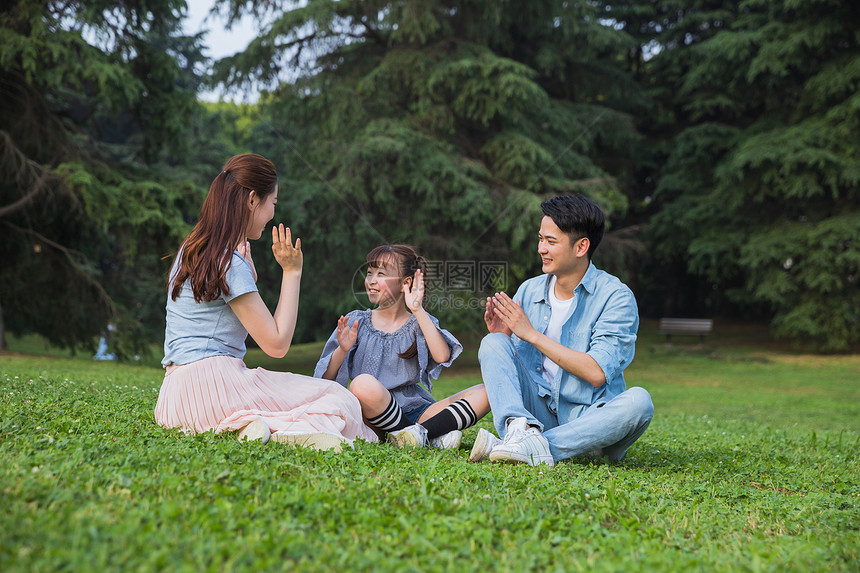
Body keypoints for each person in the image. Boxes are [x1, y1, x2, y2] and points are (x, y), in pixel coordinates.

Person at [154, 153, 377, 451]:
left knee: (327, 398)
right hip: (216, 388)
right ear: (251, 200)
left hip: (175, 403)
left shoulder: (191, 250)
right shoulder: (229, 262)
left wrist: (250, 275)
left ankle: (252, 428)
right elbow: (277, 344)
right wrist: (292, 272)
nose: (273, 212)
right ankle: (284, 430)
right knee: (340, 398)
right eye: (272, 202)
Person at [469, 194, 653, 466]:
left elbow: (596, 373)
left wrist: (531, 333)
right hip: (537, 414)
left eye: (551, 242)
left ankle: (533, 447)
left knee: (640, 402)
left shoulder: (616, 297)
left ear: (581, 247)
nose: (541, 248)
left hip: (590, 420)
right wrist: (504, 336)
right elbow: (517, 367)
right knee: (492, 342)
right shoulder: (529, 290)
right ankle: (520, 434)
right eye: (540, 239)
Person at [314, 245, 490, 449]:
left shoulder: (419, 322)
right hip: (372, 415)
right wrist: (342, 350)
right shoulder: (356, 322)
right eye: (369, 272)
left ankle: (416, 435)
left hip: (417, 411)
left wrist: (417, 309)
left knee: (485, 392)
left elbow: (442, 356)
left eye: (381, 274)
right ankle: (427, 436)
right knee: (362, 385)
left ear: (405, 283)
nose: (371, 280)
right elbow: (324, 382)